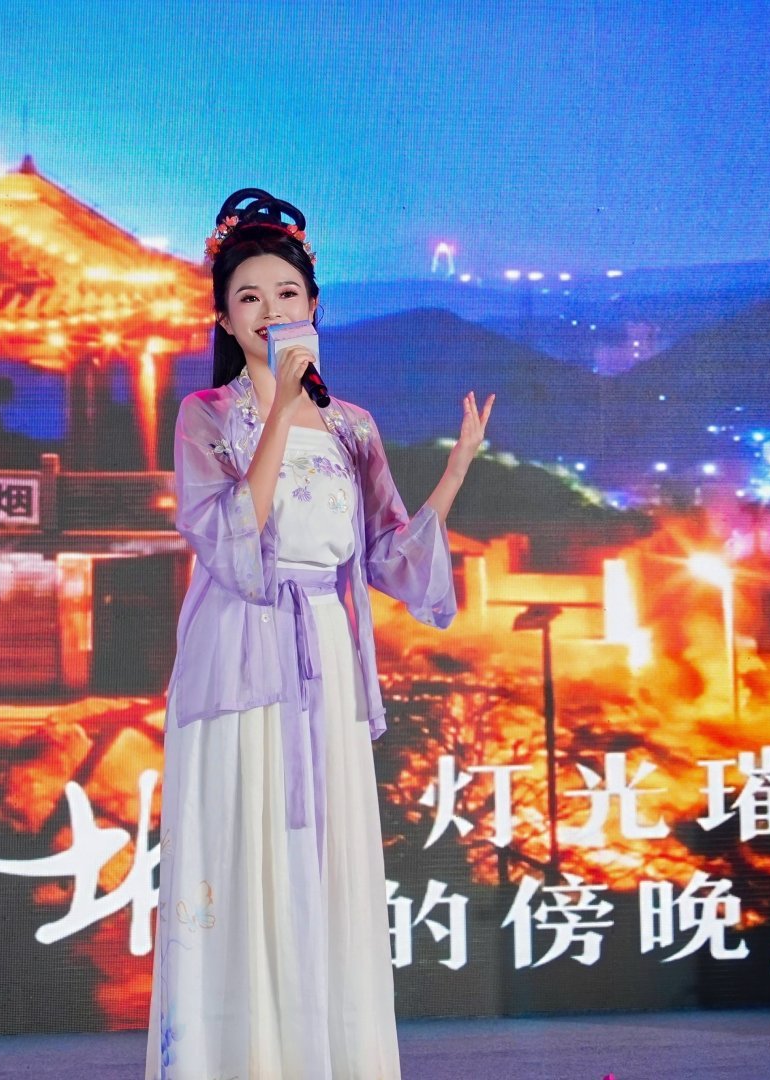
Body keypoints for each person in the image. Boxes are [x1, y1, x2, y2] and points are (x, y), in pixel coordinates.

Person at [146, 189, 494, 1080]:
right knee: (244, 851)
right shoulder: (205, 415)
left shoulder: (352, 426)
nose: (270, 310)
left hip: (326, 659)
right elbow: (229, 535)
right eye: (248, 297)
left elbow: (388, 557)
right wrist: (275, 410)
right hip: (239, 653)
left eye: (286, 293)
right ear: (223, 317)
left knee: (323, 859)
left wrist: (455, 472)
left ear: (313, 304)